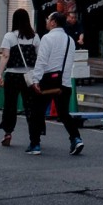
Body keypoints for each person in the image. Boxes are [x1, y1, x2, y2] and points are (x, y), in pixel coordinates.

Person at [25, 11, 83, 156]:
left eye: (48, 19)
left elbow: (42, 61)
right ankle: (76, 138)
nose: (47, 21)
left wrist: (36, 80)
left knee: (36, 112)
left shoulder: (47, 38)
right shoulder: (70, 40)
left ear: (53, 22)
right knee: (64, 113)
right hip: (65, 82)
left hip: (48, 81)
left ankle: (35, 144)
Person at [0, 9, 39, 147]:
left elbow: (5, 56)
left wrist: (0, 74)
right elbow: (40, 57)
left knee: (10, 105)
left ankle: (8, 133)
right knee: (31, 106)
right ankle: (35, 135)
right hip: (29, 76)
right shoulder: (35, 37)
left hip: (12, 75)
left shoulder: (9, 36)